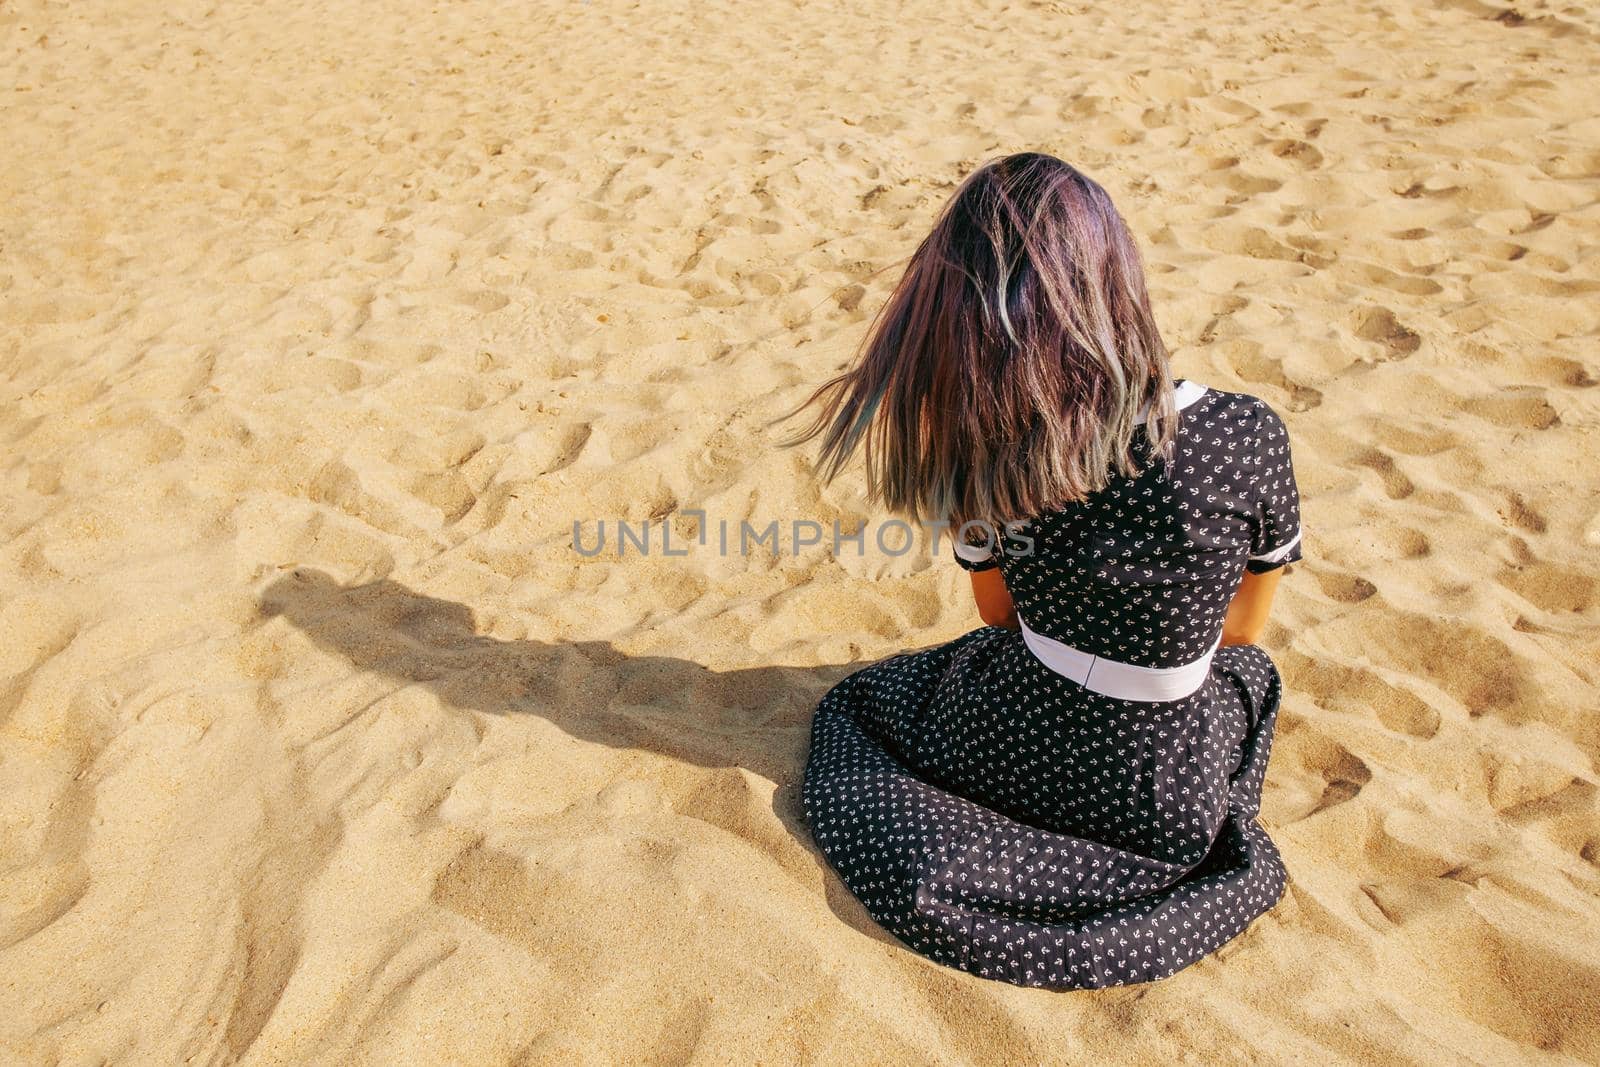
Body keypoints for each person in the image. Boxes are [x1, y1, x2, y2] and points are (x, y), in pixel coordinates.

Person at [785, 152, 1303, 989]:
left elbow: (998, 615)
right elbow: (1243, 631)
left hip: (1011, 734)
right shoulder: (1243, 435)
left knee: (865, 709)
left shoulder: (981, 440)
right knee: (1251, 676)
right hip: (1161, 781)